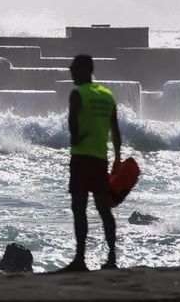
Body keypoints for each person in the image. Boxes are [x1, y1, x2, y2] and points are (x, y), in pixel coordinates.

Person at [61, 54, 122, 271]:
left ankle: (80, 259)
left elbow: (72, 125)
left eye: (74, 69)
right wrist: (117, 158)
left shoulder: (77, 93)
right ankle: (112, 258)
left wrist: (76, 138)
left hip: (81, 158)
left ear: (85, 70)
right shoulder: (107, 95)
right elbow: (116, 130)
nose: (71, 72)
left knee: (79, 208)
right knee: (104, 210)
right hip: (100, 159)